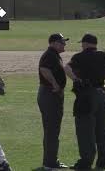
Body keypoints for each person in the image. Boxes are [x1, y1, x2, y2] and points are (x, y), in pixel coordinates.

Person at [64, 34, 105, 170]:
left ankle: (86, 162)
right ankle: (104, 162)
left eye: (82, 43)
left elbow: (66, 68)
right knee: (102, 130)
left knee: (85, 131)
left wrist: (76, 79)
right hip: (101, 95)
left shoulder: (79, 57)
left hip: (85, 96)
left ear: (85, 44)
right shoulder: (104, 56)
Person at [37, 33, 69, 170]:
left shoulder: (54, 55)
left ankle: (51, 161)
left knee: (53, 131)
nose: (64, 44)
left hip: (51, 95)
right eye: (62, 42)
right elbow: (44, 69)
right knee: (52, 131)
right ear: (54, 43)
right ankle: (49, 163)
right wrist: (55, 84)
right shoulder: (50, 55)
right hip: (50, 95)